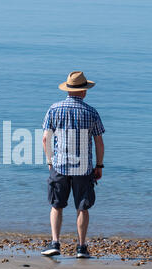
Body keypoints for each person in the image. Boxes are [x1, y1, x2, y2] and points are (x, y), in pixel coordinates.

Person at [41, 71, 105, 258]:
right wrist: (99, 166)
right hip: (83, 167)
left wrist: (50, 162)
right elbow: (99, 142)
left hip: (60, 165)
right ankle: (81, 247)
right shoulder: (91, 112)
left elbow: (46, 139)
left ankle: (55, 242)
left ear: (68, 89)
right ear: (84, 91)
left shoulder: (54, 109)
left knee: (56, 205)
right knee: (82, 207)